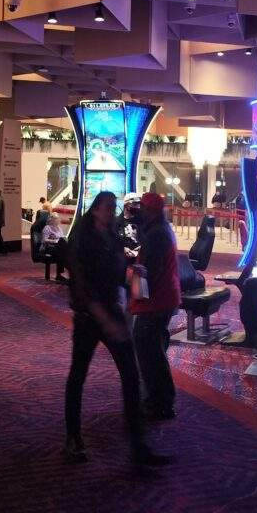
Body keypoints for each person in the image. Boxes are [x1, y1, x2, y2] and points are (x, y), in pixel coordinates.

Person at [64, 191, 171, 467]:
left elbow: (118, 272)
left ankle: (138, 446)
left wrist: (127, 296)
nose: (113, 212)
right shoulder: (81, 238)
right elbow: (80, 284)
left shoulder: (112, 236)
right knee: (78, 376)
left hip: (111, 312)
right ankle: (73, 438)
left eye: (114, 207)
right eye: (109, 207)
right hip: (89, 318)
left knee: (131, 376)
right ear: (96, 209)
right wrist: (105, 318)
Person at [130, 191, 182, 421]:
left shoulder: (157, 234)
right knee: (154, 350)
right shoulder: (160, 229)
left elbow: (149, 271)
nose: (137, 211)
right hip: (164, 297)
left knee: (149, 352)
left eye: (141, 207)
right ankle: (161, 399)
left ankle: (159, 401)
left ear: (150, 210)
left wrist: (129, 274)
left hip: (156, 300)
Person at [41, 213, 69, 281]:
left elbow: (62, 238)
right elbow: (44, 240)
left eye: (58, 218)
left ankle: (61, 274)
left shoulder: (59, 228)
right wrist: (54, 241)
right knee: (62, 253)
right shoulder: (47, 228)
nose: (58, 220)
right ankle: (59, 275)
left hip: (57, 247)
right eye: (56, 218)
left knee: (64, 251)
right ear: (51, 219)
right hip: (48, 247)